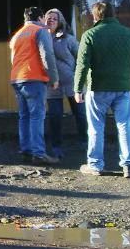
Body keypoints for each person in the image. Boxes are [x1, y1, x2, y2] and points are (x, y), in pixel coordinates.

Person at [74, 1, 130, 178]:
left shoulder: (89, 35)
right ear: (114, 14)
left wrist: (77, 88)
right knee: (124, 125)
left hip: (98, 87)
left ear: (95, 15)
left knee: (96, 127)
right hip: (122, 87)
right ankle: (129, 165)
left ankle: (95, 165)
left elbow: (82, 64)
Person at [9, 6, 59, 165]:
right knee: (37, 116)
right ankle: (39, 153)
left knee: (24, 116)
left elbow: (13, 59)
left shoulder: (17, 35)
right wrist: (53, 77)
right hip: (34, 78)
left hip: (17, 78)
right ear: (40, 18)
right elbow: (47, 55)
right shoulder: (40, 30)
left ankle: (26, 150)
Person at [44, 8, 85, 158]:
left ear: (60, 21)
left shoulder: (68, 39)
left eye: (54, 18)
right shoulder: (41, 38)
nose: (51, 21)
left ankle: (85, 141)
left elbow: (81, 56)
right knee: (55, 116)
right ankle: (56, 146)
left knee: (80, 114)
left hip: (72, 83)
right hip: (51, 84)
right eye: (48, 18)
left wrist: (78, 76)